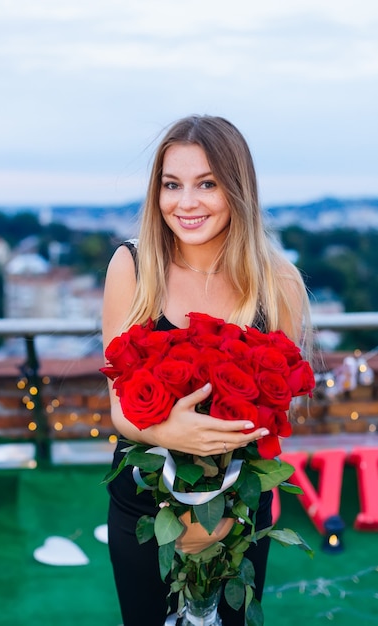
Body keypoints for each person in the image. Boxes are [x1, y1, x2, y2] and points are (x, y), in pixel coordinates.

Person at [102, 114, 311, 626]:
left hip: (238, 513)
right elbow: (118, 409)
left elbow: (279, 410)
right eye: (172, 185)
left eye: (207, 184)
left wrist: (213, 514)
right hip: (144, 513)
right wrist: (169, 431)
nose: (186, 202)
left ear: (237, 189)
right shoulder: (131, 266)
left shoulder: (277, 281)